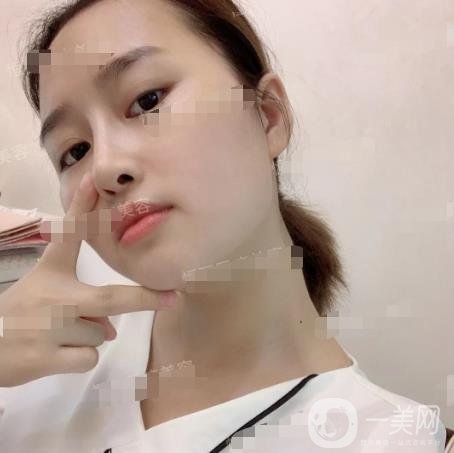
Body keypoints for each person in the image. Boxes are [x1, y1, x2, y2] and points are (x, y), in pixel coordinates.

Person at [0, 0, 447, 451]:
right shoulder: (47, 337)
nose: (104, 168)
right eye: (75, 151)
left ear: (268, 116)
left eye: (147, 100)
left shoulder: (391, 438)